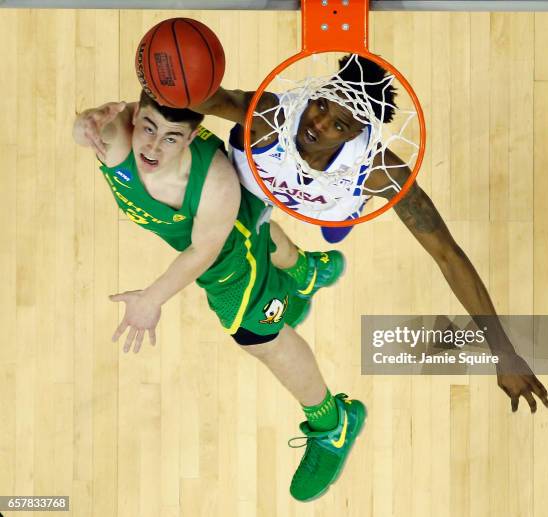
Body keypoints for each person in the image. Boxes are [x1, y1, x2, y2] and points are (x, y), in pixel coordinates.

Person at [193, 54, 548, 413]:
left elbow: (447, 255)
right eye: (320, 105)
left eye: (338, 124)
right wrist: (172, 83)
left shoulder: (381, 170)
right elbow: (207, 97)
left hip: (324, 203)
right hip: (249, 189)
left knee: (332, 229)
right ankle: (309, 270)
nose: (317, 124)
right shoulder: (269, 115)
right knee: (243, 225)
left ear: (356, 133)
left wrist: (503, 351)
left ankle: (333, 233)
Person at [72, 91, 366, 501]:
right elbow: (82, 128)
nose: (154, 147)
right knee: (248, 220)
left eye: (172, 137)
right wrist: (85, 118)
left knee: (258, 336)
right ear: (134, 116)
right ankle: (305, 271)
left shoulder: (215, 185)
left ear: (192, 138)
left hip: (226, 253)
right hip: (225, 218)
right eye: (149, 128)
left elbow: (202, 252)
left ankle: (332, 424)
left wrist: (152, 299)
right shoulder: (115, 136)